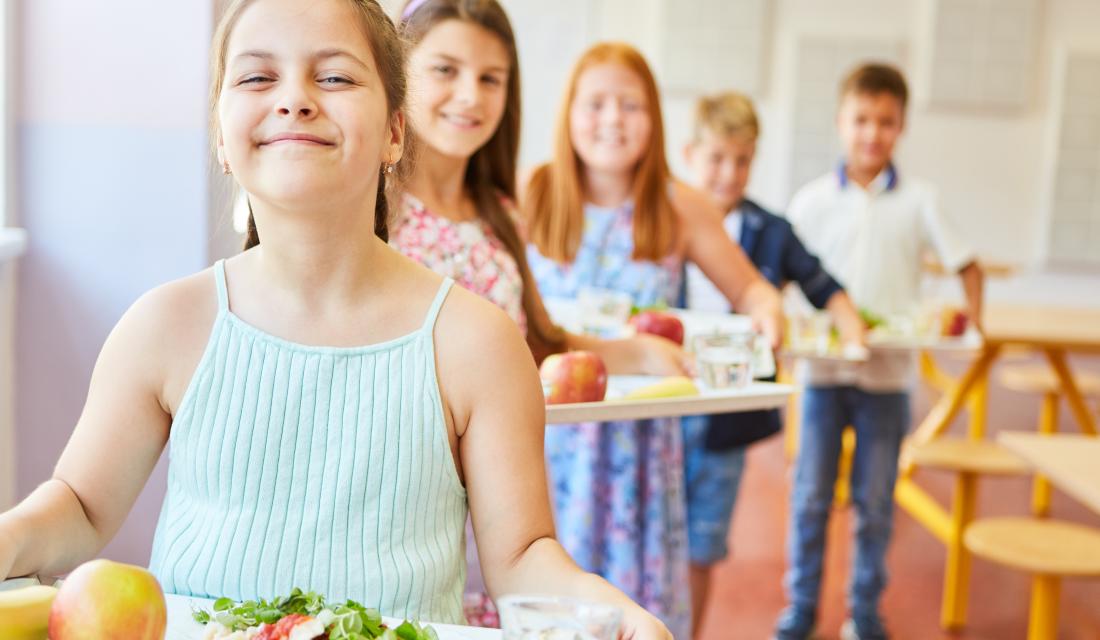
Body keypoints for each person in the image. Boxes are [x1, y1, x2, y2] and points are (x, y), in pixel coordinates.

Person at [0, 2, 671, 637]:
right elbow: (82, 507)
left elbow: (523, 555)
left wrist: (613, 614)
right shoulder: (165, 326)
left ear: (394, 131)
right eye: (259, 76)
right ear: (222, 138)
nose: (295, 98)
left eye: (335, 76)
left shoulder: (477, 342)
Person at [390, 0, 689, 626]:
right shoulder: (372, 207)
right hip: (405, 517)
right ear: (399, 70)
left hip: (504, 514)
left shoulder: (500, 210)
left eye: (491, 78)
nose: (469, 95)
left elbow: (532, 342)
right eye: (444, 69)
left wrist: (633, 351)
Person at [521, 42, 785, 639]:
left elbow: (751, 291)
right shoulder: (528, 195)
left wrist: (767, 314)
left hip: (641, 445)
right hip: (546, 441)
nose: (612, 119)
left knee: (638, 614)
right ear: (568, 113)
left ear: (655, 118)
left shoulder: (680, 206)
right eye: (596, 104)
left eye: (630, 105)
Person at [774, 63, 983, 640]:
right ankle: (801, 609)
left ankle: (865, 614)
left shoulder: (921, 201)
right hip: (822, 373)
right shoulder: (812, 201)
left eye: (885, 122)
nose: (872, 133)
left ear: (901, 127)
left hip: (889, 379)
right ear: (841, 123)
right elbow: (778, 277)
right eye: (861, 120)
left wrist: (974, 324)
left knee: (876, 503)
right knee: (811, 496)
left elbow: (968, 263)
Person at [679, 90, 865, 636]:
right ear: (690, 154)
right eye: (716, 158)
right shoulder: (662, 218)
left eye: (742, 160)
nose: (729, 173)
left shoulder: (771, 230)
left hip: (726, 416)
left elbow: (818, 279)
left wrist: (850, 320)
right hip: (661, 407)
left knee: (703, 541)